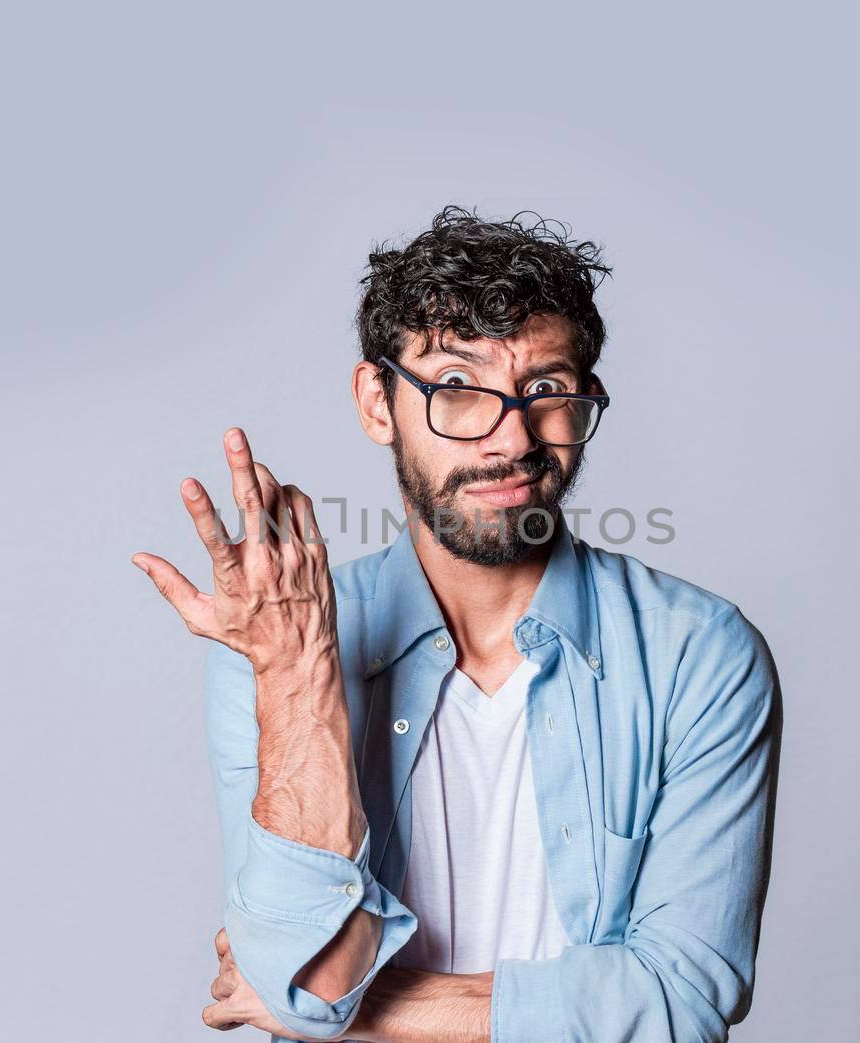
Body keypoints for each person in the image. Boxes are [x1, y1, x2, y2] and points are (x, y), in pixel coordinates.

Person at [132, 205, 782, 1042]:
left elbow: (682, 1002)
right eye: (456, 388)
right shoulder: (277, 650)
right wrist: (298, 678)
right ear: (377, 401)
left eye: (546, 389)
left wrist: (354, 1012)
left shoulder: (698, 652)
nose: (511, 437)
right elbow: (315, 971)